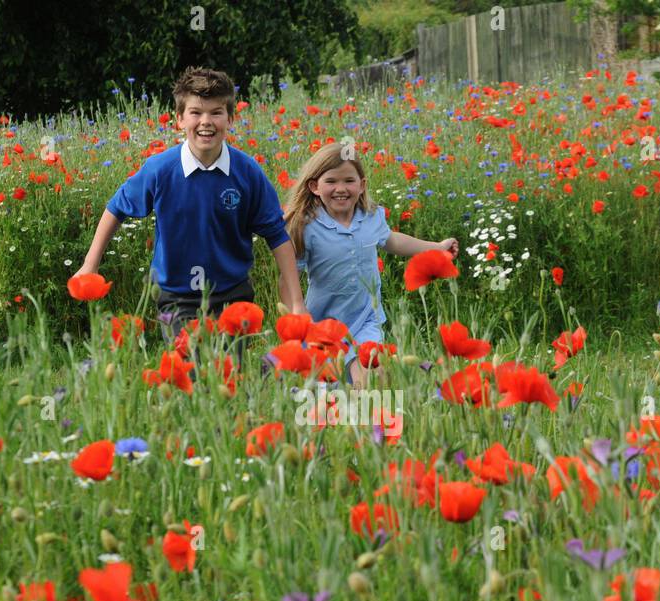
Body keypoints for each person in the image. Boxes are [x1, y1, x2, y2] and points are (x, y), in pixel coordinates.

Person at [72, 67, 306, 352]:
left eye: (216, 112)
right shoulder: (160, 170)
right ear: (180, 119)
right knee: (193, 367)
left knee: (229, 375)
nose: (206, 121)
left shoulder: (247, 172)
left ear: (230, 119)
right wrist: (90, 264)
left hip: (233, 294)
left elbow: (277, 235)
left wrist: (296, 302)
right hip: (178, 296)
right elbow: (116, 208)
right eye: (196, 112)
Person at [283, 140, 457, 385]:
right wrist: (293, 316)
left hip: (366, 318)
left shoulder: (372, 216)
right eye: (331, 181)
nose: (340, 188)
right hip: (323, 324)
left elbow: (393, 241)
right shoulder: (306, 226)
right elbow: (288, 276)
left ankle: (368, 421)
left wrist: (437, 248)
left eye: (349, 181)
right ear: (314, 186)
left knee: (373, 378)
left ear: (362, 185)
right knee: (327, 391)